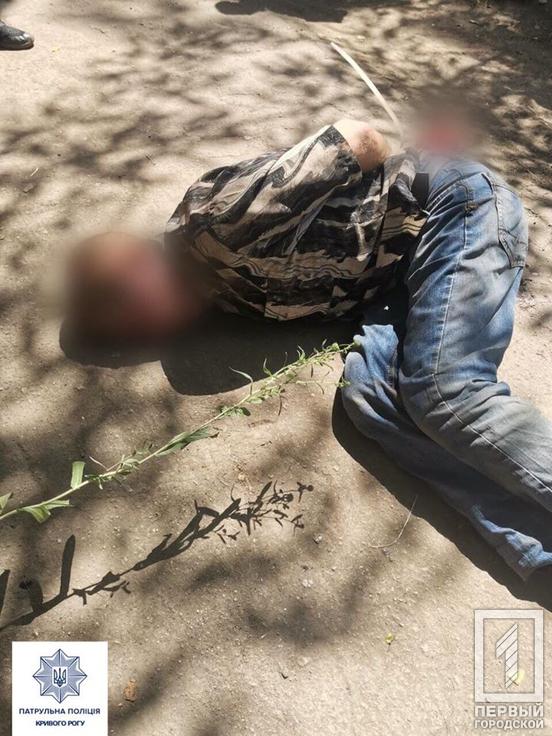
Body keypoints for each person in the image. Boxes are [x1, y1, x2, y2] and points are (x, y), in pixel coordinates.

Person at [66, 118, 552, 581]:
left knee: (444, 392)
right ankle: (541, 544)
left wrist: (399, 177)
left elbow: (360, 137)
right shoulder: (209, 295)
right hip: (396, 276)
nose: (147, 334)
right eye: (132, 335)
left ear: (140, 264)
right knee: (371, 399)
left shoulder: (220, 222)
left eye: (132, 311)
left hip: (454, 210)